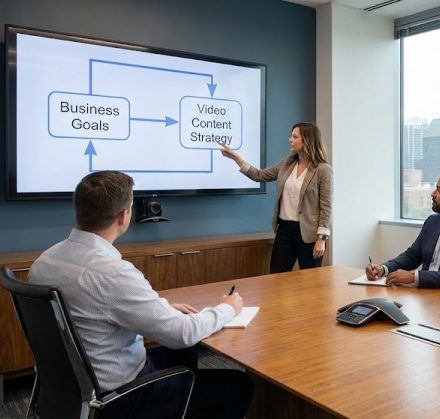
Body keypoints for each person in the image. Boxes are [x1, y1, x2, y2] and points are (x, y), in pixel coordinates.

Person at [28, 171, 253, 419]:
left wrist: (159, 307)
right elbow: (183, 334)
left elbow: (92, 305)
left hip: (69, 386)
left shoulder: (45, 261)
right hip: (118, 398)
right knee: (237, 385)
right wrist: (228, 308)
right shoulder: (112, 273)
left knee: (183, 355)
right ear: (124, 215)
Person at [220, 122, 332, 273]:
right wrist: (236, 158)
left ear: (307, 140)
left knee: (310, 282)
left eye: (294, 136)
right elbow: (258, 175)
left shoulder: (323, 170)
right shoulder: (287, 163)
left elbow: (326, 207)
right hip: (285, 231)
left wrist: (321, 239)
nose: (290, 140)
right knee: (276, 279)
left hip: (310, 235)